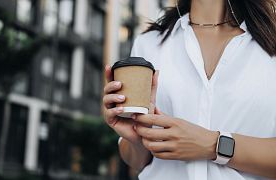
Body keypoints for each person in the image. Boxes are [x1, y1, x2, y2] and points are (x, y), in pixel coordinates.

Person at [103, 0, 276, 179]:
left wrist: (212, 144)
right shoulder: (148, 44)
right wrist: (137, 140)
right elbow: (138, 162)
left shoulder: (270, 45)